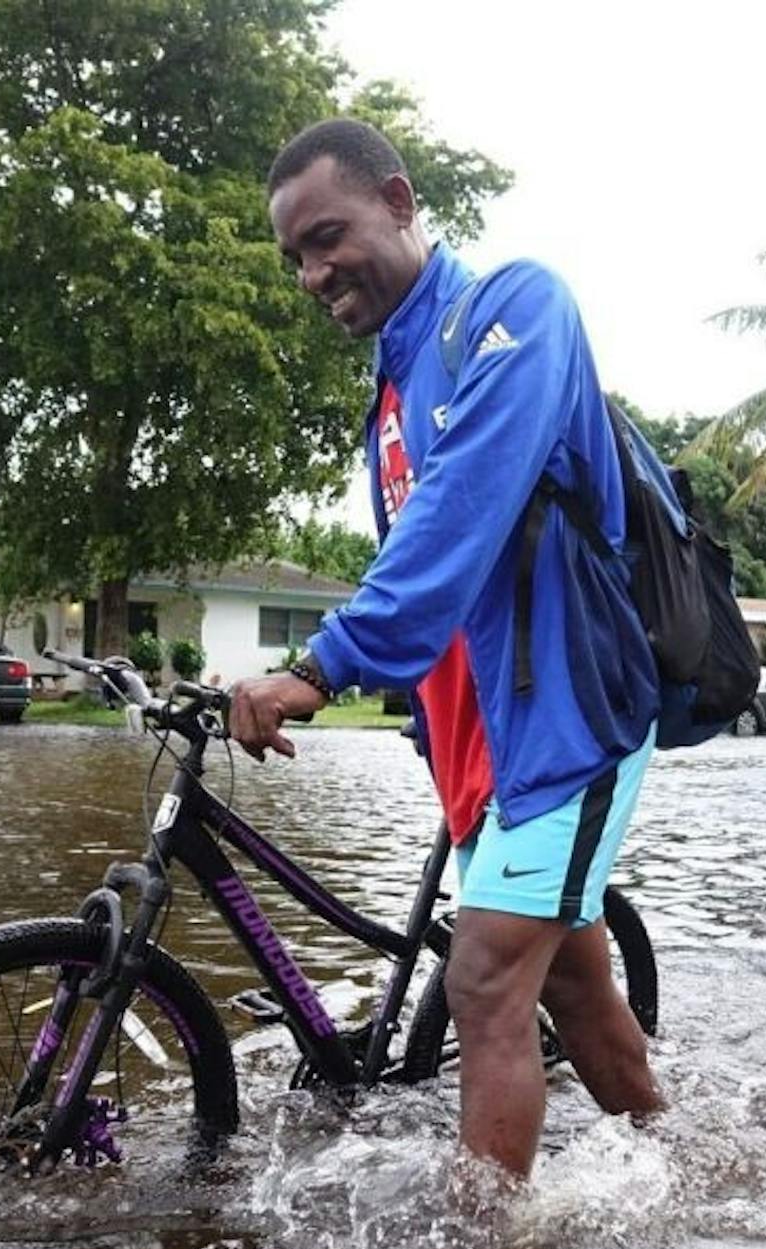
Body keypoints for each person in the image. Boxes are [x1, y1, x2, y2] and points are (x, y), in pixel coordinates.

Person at [228, 117, 664, 1180]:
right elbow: (427, 580)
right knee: (568, 982)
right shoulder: (391, 382)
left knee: (479, 984)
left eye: (328, 236)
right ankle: (673, 1152)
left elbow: (457, 517)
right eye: (294, 256)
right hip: (477, 747)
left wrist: (320, 664)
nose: (313, 272)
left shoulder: (515, 309)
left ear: (399, 200)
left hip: (567, 721)